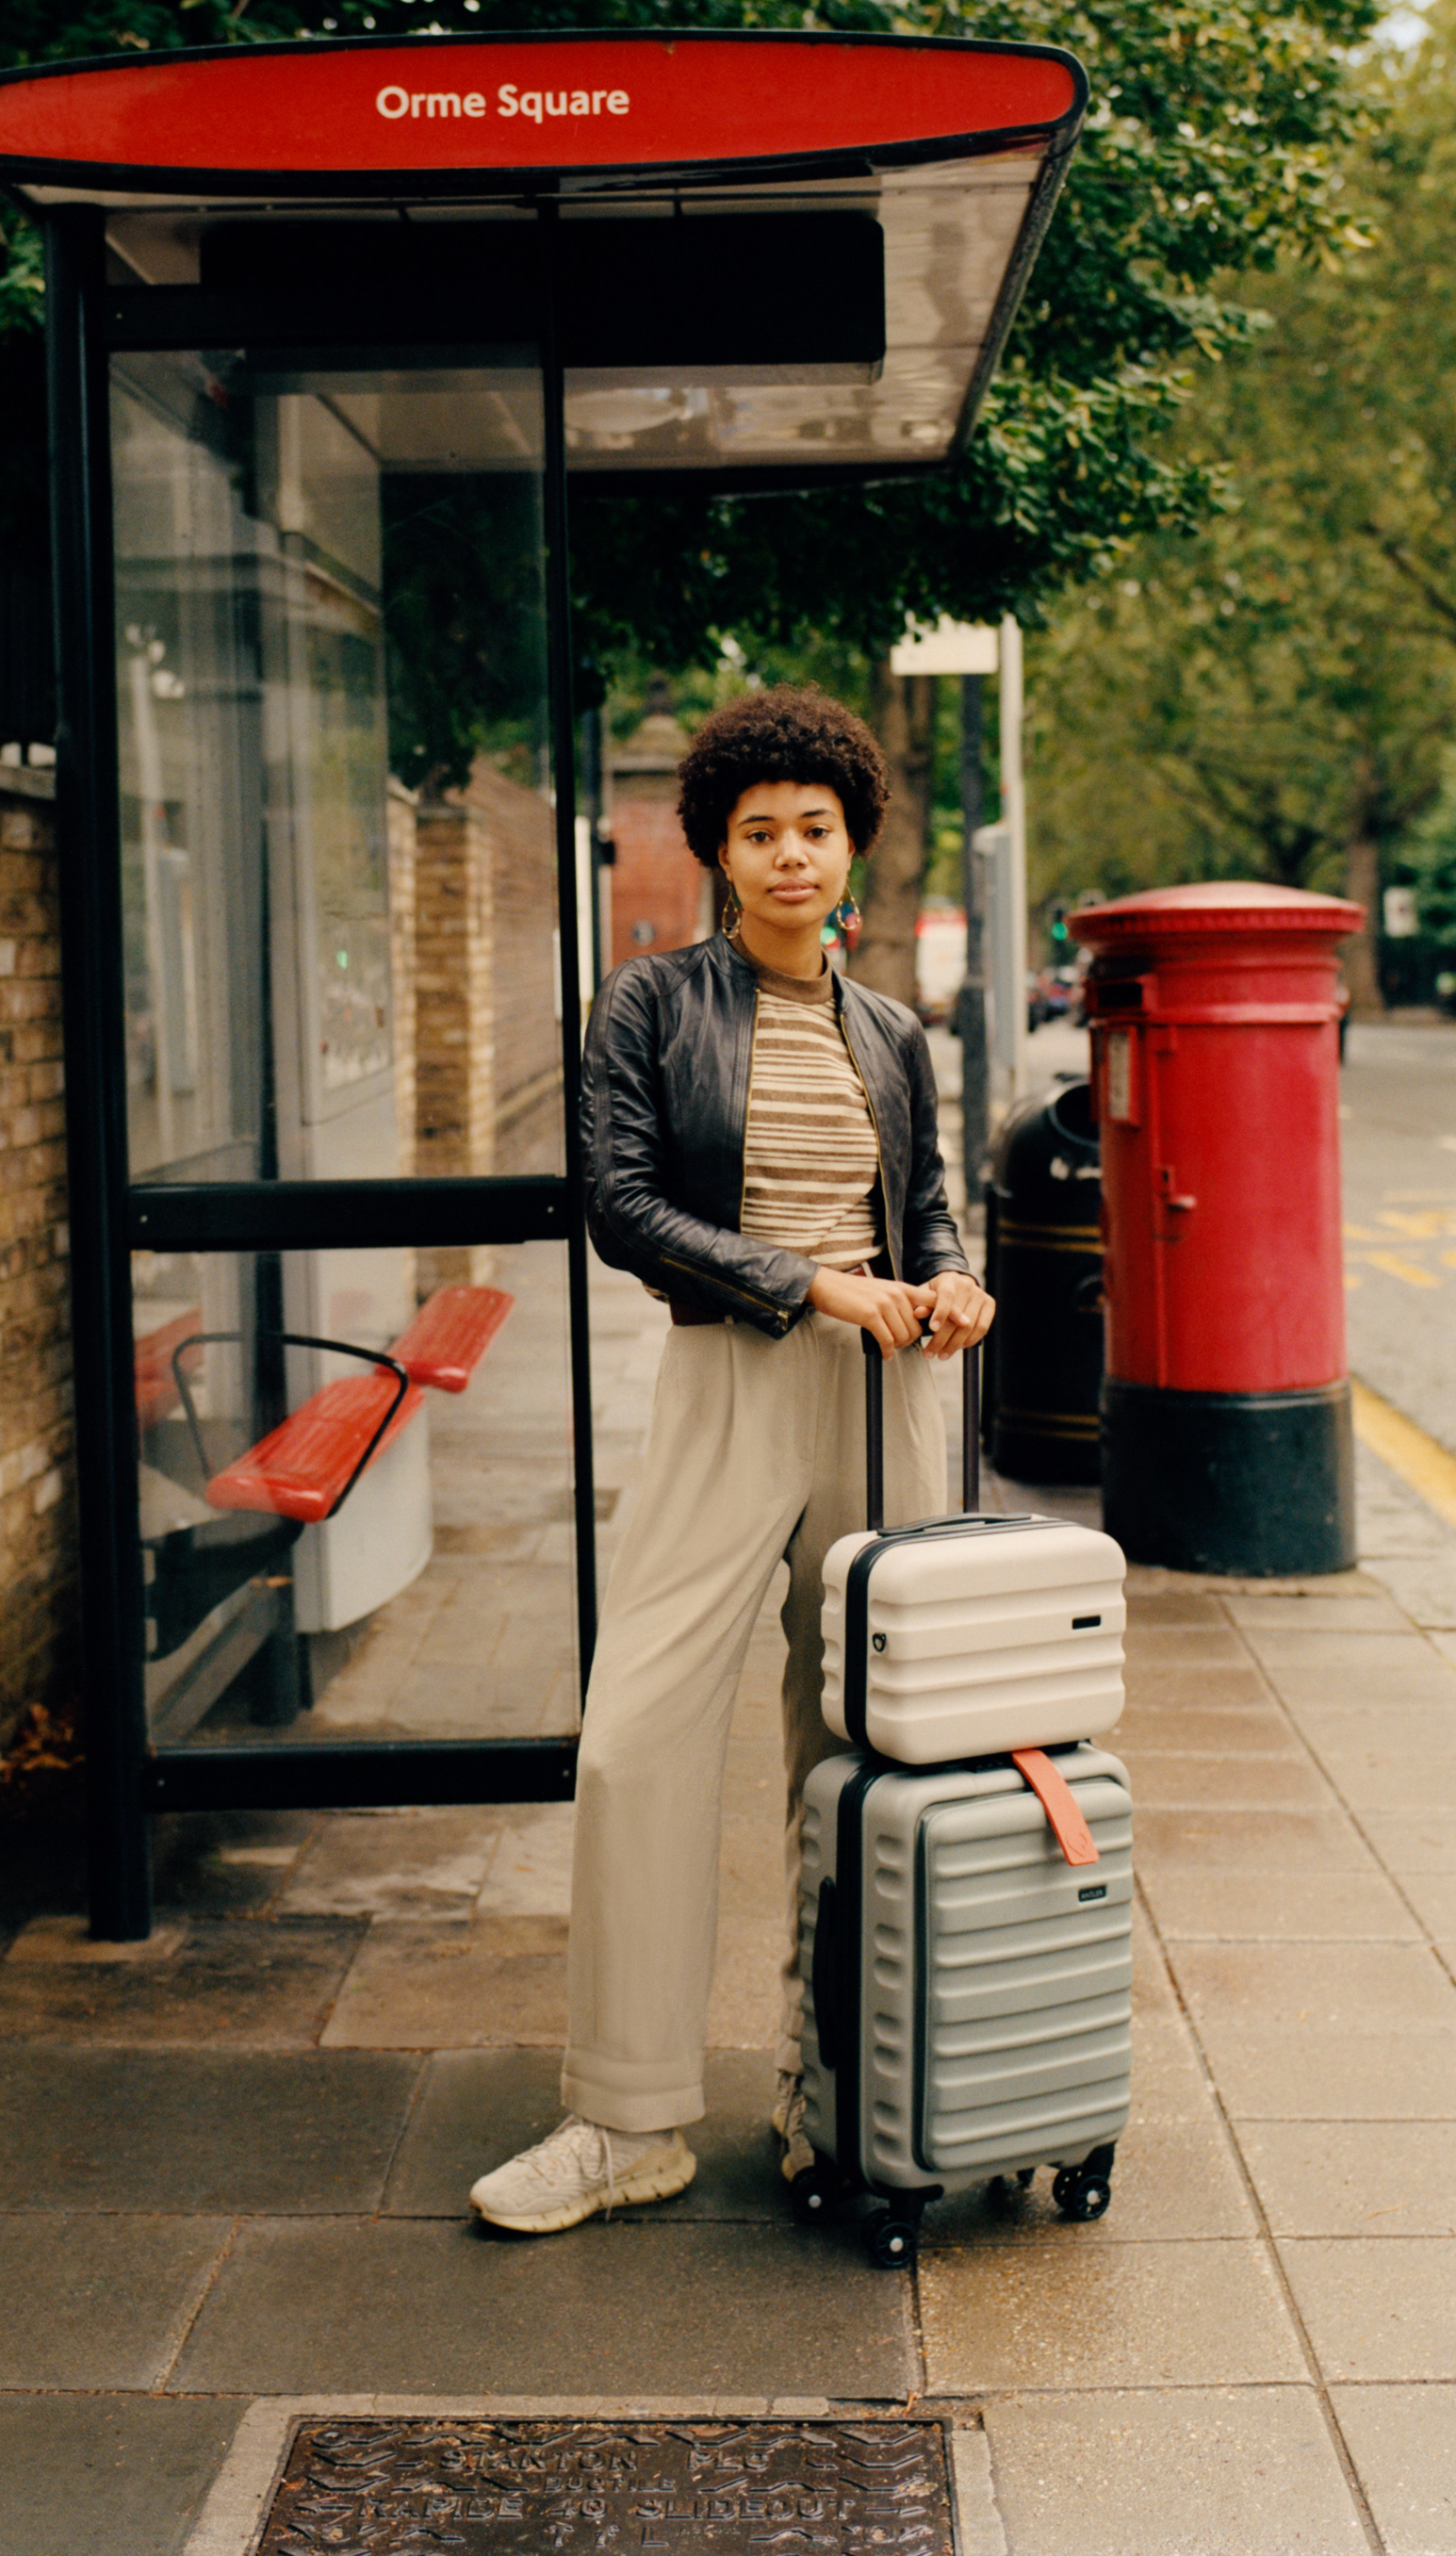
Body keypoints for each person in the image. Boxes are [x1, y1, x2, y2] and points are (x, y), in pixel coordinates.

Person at [469, 684, 994, 2234]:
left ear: (852, 847)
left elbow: (930, 1205)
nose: (789, 856)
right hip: (732, 1374)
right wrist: (810, 1282)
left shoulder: (890, 1031)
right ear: (716, 850)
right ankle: (626, 2121)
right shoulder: (649, 1004)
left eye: (814, 830)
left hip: (890, 1394)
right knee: (636, 1736)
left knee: (866, 1747)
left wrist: (954, 1278)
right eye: (758, 832)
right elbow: (621, 1206)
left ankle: (840, 2099)